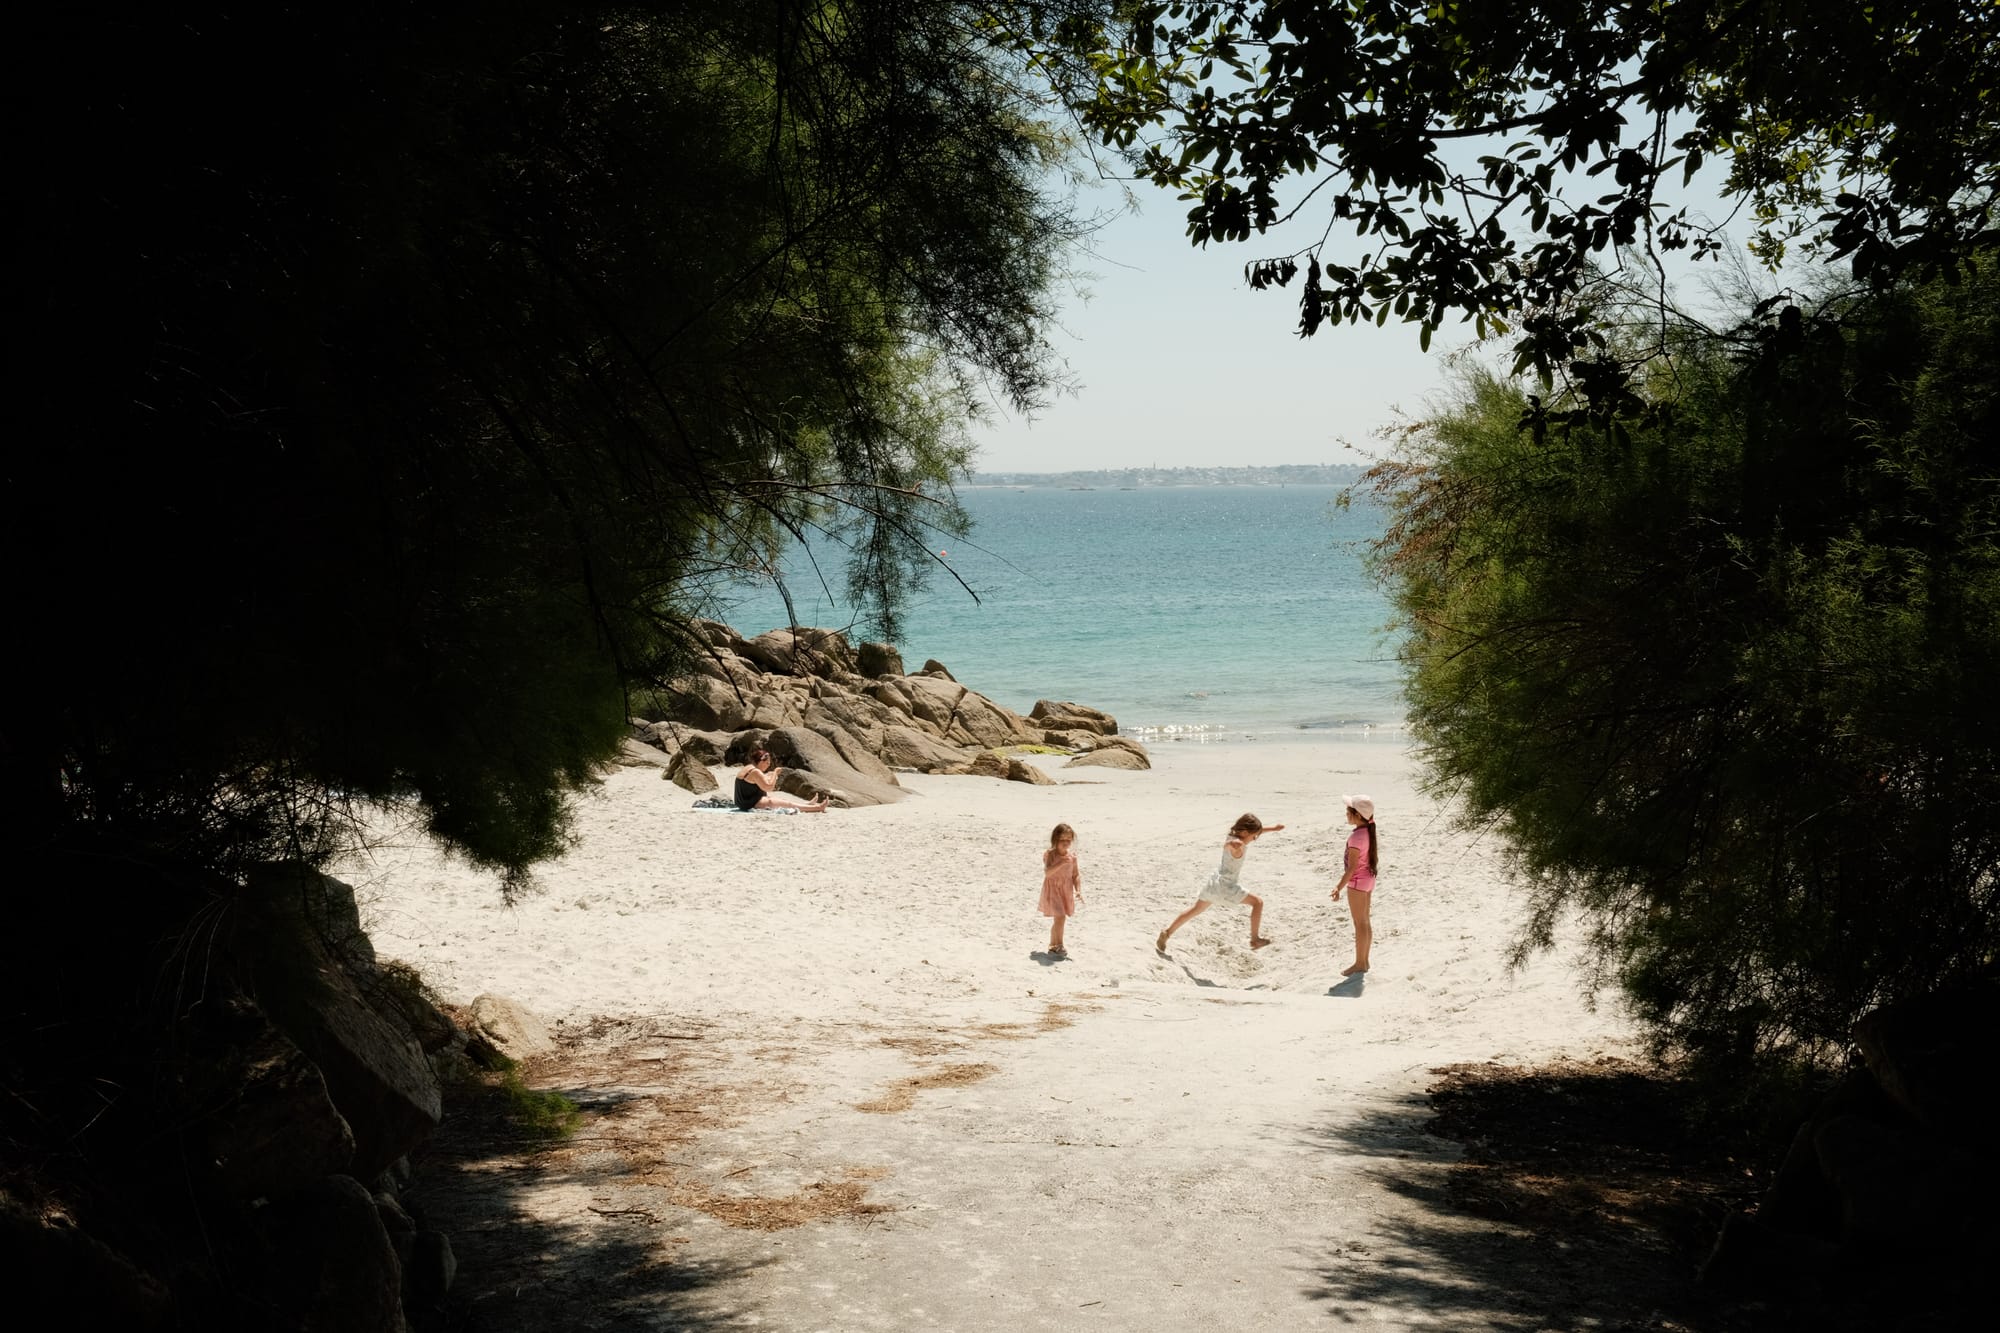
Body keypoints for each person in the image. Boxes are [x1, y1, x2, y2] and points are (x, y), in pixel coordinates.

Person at [1156, 813, 1285, 953]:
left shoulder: (1233, 835)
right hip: (1226, 887)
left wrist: (1273, 828)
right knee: (1257, 903)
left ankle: (1167, 933)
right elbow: (1232, 846)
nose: (1254, 838)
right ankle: (1255, 939)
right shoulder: (1237, 844)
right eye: (1254, 836)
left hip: (1214, 883)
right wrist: (1232, 845)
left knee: (1195, 909)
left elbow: (1251, 834)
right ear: (1245, 832)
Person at [1330, 794, 1378, 974]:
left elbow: (1351, 869)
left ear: (1358, 815)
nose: (1346, 814)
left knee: (1359, 923)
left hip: (1357, 882)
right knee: (1365, 922)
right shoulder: (1367, 831)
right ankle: (1364, 961)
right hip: (1368, 879)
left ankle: (1360, 963)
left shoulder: (1357, 837)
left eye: (1348, 811)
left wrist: (1338, 887)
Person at [1038, 823, 1083, 959]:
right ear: (1055, 839)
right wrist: (1061, 863)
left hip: (1066, 890)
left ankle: (1053, 945)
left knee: (1060, 918)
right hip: (1053, 890)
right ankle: (1059, 945)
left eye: (1068, 840)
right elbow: (1048, 873)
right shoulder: (1050, 854)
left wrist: (1078, 890)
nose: (1066, 843)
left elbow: (1076, 875)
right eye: (1062, 840)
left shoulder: (1072, 857)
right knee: (1060, 917)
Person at [732, 749, 829, 813]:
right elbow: (769, 787)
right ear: (761, 761)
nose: (768, 765)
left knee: (781, 801)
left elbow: (757, 783)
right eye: (767, 762)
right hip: (749, 803)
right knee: (786, 804)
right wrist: (775, 773)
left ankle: (807, 804)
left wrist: (768, 776)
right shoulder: (755, 771)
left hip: (743, 802)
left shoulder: (749, 768)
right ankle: (818, 808)